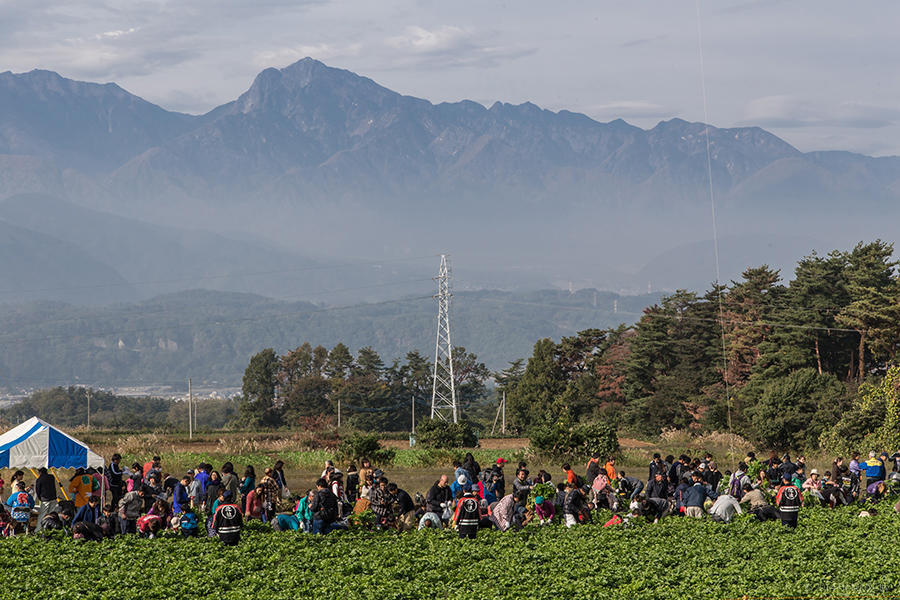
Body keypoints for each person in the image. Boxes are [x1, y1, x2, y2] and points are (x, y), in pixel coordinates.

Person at [34, 467, 58, 532]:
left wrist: (40, 498)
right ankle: (51, 528)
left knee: (42, 514)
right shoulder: (51, 477)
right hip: (53, 497)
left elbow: (37, 490)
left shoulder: (39, 479)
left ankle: (38, 529)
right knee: (52, 514)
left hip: (45, 499)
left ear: (40, 472)